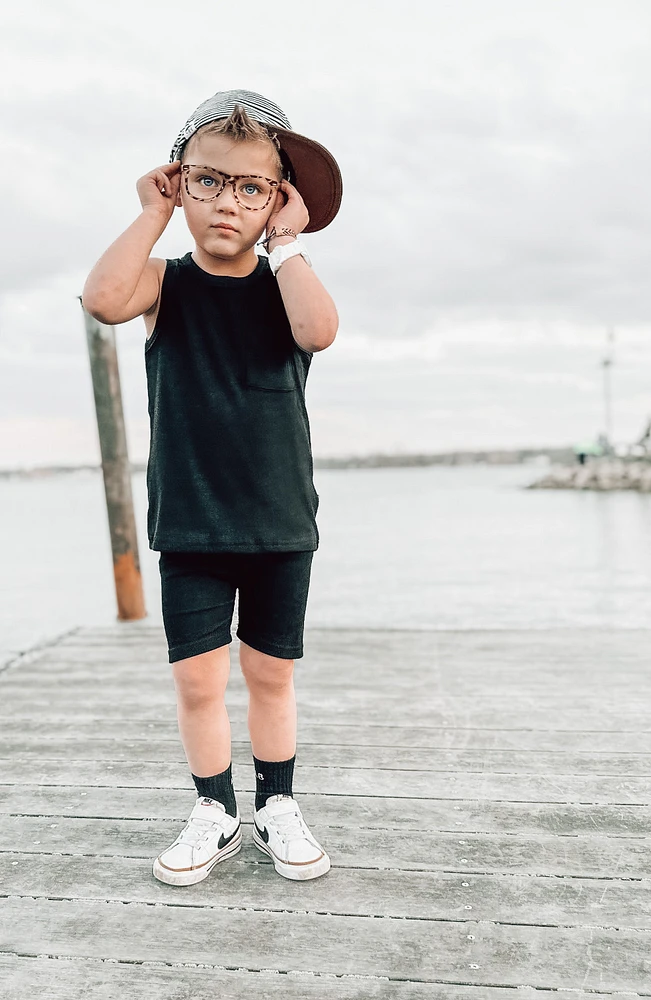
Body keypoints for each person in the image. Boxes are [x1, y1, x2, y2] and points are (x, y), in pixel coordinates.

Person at [82, 89, 342, 884]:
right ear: (179, 184)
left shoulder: (284, 282)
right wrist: (151, 216)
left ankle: (276, 803)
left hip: (278, 524)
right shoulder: (165, 283)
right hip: (191, 523)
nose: (227, 201)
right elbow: (101, 299)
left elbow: (318, 331)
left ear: (277, 199)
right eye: (207, 181)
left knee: (269, 673)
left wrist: (289, 243)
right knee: (198, 680)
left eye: (250, 187)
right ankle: (214, 808)